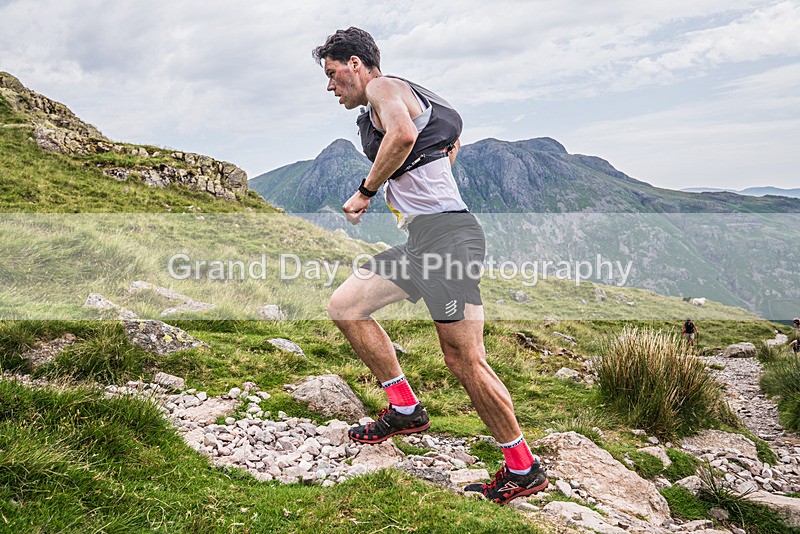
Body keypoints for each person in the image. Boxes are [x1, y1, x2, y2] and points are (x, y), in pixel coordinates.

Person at [313, 27, 548, 505]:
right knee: (346, 306)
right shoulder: (402, 98)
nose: (331, 86)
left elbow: (403, 135)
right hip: (424, 240)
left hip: (449, 239)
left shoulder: (383, 87)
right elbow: (448, 139)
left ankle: (523, 469)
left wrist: (365, 192)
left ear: (356, 64)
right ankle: (404, 407)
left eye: (333, 74)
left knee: (465, 360)